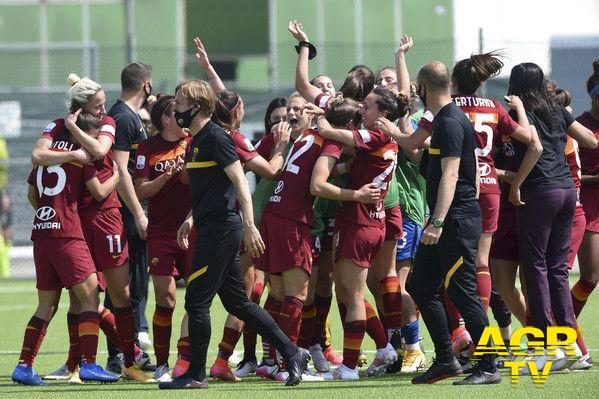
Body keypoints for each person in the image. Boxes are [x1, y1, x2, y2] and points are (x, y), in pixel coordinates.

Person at [158, 80, 308, 389]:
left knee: (197, 303)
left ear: (197, 108)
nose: (176, 107)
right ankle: (293, 353)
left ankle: (196, 375)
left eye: (181, 103)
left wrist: (250, 225)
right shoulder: (197, 139)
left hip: (222, 231)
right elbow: (212, 189)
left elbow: (240, 183)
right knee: (239, 304)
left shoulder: (216, 137)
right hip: (210, 227)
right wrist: (190, 219)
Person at [35, 74, 151, 383]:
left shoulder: (108, 123)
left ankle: (129, 359)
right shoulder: (58, 126)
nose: (103, 112)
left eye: (102, 106)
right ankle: (76, 363)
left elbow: (100, 152)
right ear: (81, 106)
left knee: (120, 292)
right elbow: (38, 156)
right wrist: (69, 133)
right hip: (75, 219)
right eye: (97, 107)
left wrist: (74, 131)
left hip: (106, 217)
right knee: (81, 296)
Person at [403, 61, 499, 385]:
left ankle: (489, 365)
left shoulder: (450, 122)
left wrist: (437, 221)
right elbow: (432, 161)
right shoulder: (445, 120)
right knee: (419, 286)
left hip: (454, 220)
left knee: (462, 293)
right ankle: (446, 360)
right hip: (447, 218)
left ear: (424, 88)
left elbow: (452, 173)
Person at [13, 111, 120, 386]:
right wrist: (117, 177)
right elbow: (97, 191)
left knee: (46, 306)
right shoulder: (80, 155)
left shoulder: (47, 154)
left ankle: (24, 366)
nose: (94, 143)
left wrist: (49, 214)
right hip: (67, 234)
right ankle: (89, 365)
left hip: (42, 234)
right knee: (90, 295)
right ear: (82, 134)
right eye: (93, 136)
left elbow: (30, 194)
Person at [507, 62, 596, 372]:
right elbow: (589, 139)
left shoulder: (524, 110)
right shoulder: (557, 109)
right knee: (557, 270)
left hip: (540, 193)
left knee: (535, 269)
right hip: (567, 193)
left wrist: (516, 182)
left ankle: (548, 347)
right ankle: (570, 344)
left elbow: (533, 144)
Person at [133, 94, 193, 382]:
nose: (182, 116)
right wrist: (165, 177)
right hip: (161, 233)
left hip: (193, 231)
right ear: (165, 118)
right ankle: (161, 363)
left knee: (197, 299)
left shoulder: (193, 141)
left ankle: (185, 360)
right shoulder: (147, 148)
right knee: (166, 300)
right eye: (176, 112)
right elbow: (141, 191)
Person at [107, 62, 154, 371]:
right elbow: (120, 168)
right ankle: (120, 356)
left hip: (128, 212)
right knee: (127, 288)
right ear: (145, 86)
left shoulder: (127, 116)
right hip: (124, 215)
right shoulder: (124, 117)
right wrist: (137, 211)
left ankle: (124, 354)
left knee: (131, 287)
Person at [574, 61, 599, 341]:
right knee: (590, 278)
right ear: (594, 98)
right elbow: (575, 174)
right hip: (590, 205)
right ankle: (563, 327)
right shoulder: (579, 126)